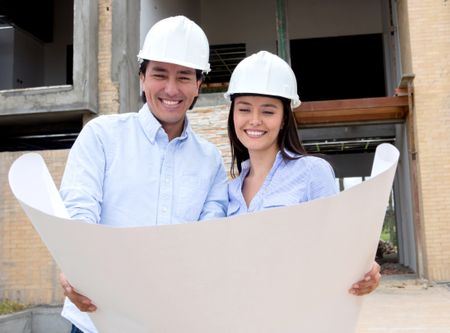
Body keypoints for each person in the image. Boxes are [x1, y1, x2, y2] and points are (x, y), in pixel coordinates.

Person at [58, 16, 228, 333]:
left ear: (199, 84)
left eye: (184, 77)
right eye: (159, 75)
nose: (171, 89)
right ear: (141, 77)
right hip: (98, 316)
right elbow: (79, 210)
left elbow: (209, 237)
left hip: (172, 321)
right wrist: (77, 262)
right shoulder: (102, 136)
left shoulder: (210, 161)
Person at [224, 50, 380, 296]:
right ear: (233, 114)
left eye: (268, 111)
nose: (254, 120)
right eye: (244, 109)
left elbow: (337, 245)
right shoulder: (229, 191)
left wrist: (365, 269)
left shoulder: (312, 173)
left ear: (285, 118)